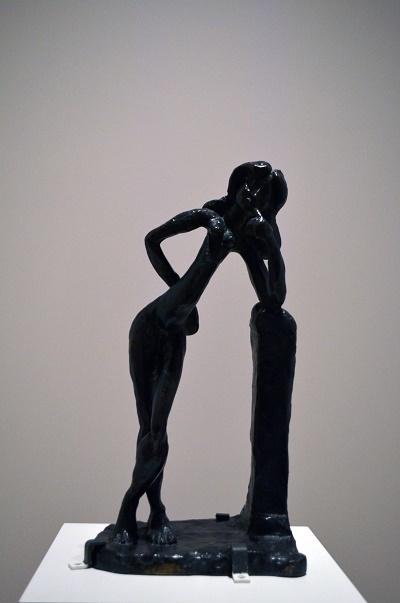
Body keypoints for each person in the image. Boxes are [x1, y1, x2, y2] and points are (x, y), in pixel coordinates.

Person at [114, 208, 233, 544]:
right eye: (250, 187)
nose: (253, 196)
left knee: (156, 429)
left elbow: (273, 292)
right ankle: (154, 510)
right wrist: (177, 287)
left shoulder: (247, 227)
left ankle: (132, 506)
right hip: (147, 328)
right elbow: (152, 240)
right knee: (148, 427)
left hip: (173, 337)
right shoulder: (211, 213)